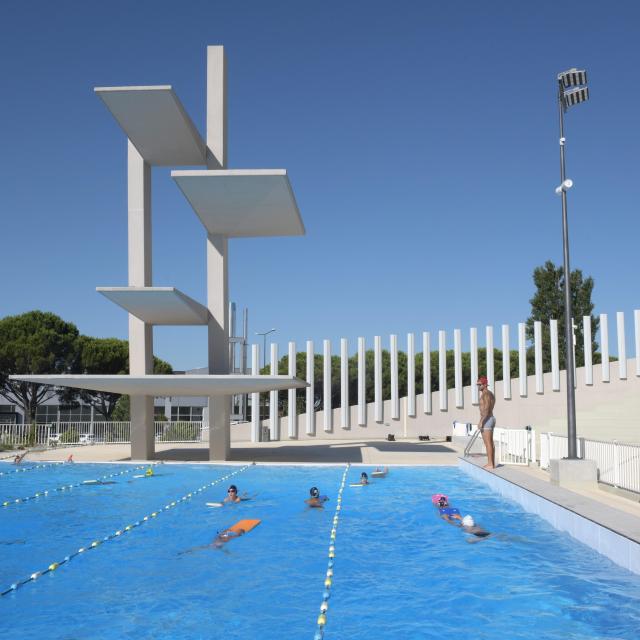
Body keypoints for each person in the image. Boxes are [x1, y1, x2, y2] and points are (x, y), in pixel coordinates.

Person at [477, 375, 496, 469]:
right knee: (490, 443)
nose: (478, 386)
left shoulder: (486, 394)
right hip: (490, 418)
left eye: (479, 384)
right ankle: (492, 463)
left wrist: (481, 421)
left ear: (485, 385)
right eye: (477, 385)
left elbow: (487, 408)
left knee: (487, 443)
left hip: (487, 419)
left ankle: (490, 464)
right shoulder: (490, 394)